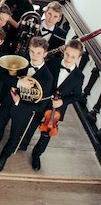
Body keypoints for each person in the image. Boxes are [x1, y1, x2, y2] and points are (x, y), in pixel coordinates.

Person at [0, 36, 54, 173]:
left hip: (24, 111)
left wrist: (19, 101)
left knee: (14, 136)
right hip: (7, 103)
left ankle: (3, 157)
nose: (34, 56)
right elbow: (3, 76)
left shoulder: (48, 77)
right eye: (32, 52)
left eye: (38, 53)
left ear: (45, 54)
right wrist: (18, 83)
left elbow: (41, 106)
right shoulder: (21, 61)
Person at [27, 39, 85, 171]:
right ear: (64, 51)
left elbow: (77, 96)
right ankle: (23, 143)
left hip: (56, 109)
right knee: (32, 123)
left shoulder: (78, 76)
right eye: (67, 54)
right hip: (42, 101)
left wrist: (63, 101)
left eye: (73, 56)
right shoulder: (52, 63)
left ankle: (37, 154)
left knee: (47, 133)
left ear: (79, 57)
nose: (69, 58)